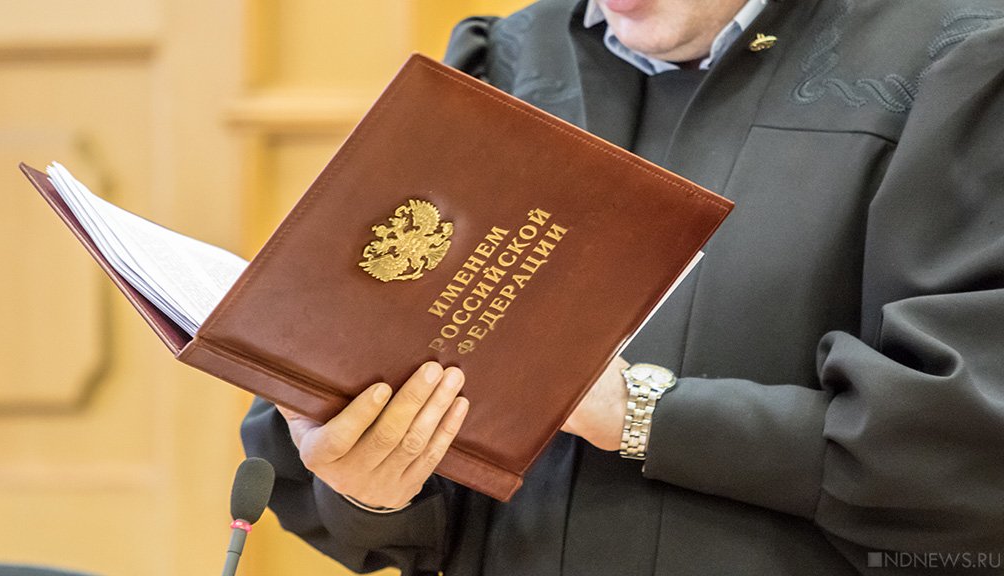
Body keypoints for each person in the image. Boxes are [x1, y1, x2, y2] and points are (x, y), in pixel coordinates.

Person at [241, 0, 1004, 573]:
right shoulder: (514, 58)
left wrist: (638, 413)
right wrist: (369, 486)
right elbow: (376, 491)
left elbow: (963, 452)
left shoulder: (958, 59)